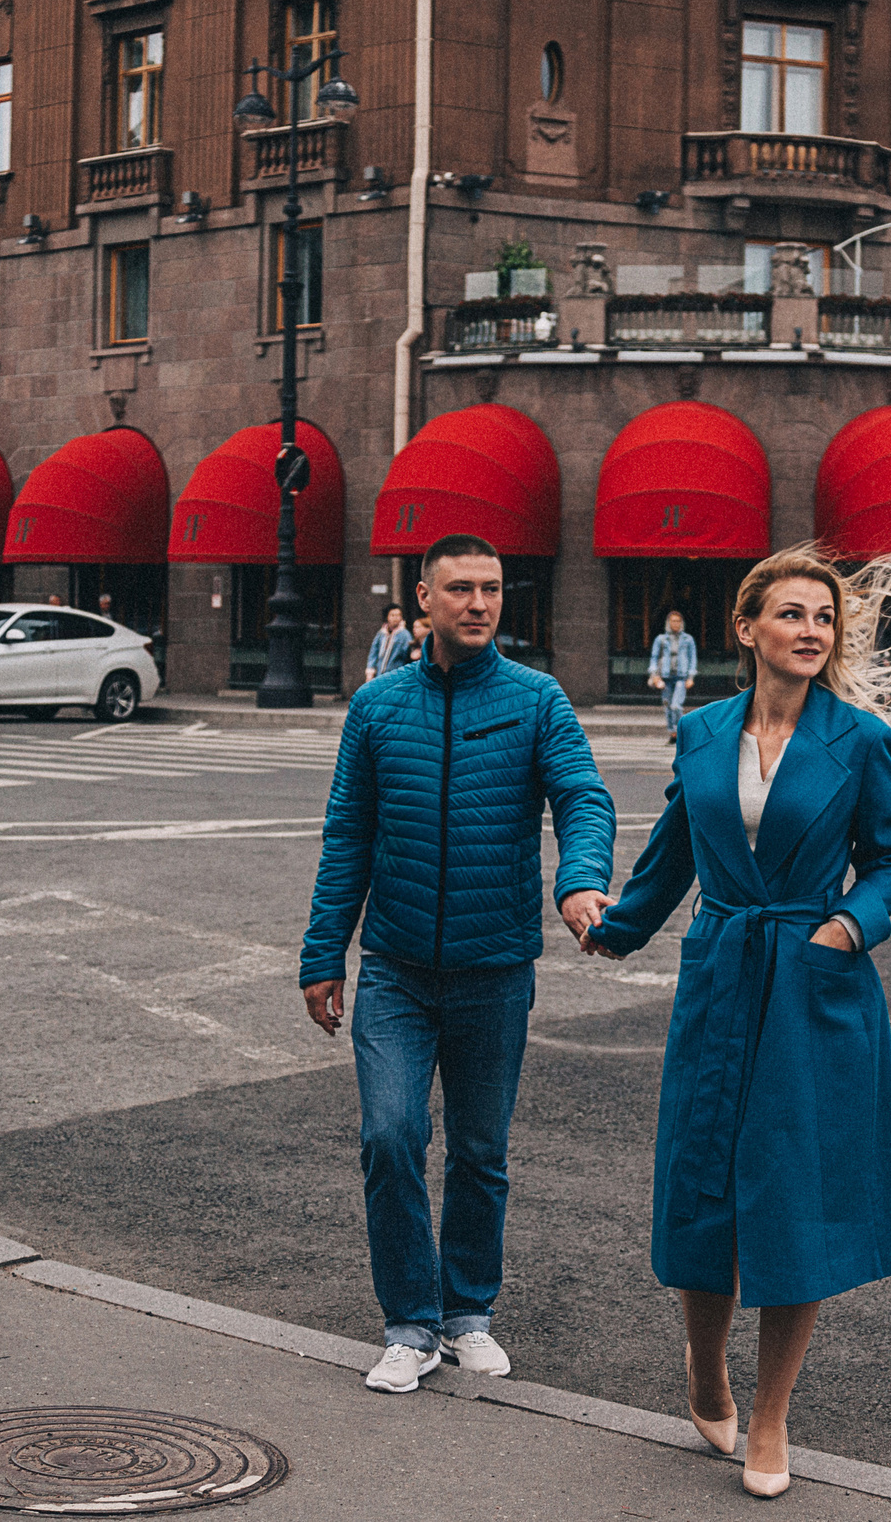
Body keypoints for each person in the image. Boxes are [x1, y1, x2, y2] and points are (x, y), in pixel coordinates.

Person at [582, 544, 891, 1501]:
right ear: (747, 629)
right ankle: (703, 1365)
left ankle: (771, 1413)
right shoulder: (701, 731)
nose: (811, 630)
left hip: (815, 986)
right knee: (704, 1183)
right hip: (722, 972)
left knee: (793, 1193)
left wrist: (847, 927)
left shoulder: (858, 739)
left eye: (824, 617)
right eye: (792, 614)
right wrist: (614, 926)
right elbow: (671, 856)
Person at [300, 533, 617, 1397]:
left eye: (493, 589)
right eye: (462, 589)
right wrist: (323, 953)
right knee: (390, 1135)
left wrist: (581, 882)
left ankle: (468, 1310)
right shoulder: (377, 708)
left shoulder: (536, 700)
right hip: (396, 969)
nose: (479, 603)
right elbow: (348, 837)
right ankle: (411, 1322)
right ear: (425, 599)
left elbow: (582, 796)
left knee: (480, 1149)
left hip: (495, 967)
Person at [648, 609, 698, 736]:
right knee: (668, 706)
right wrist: (654, 675)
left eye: (678, 621)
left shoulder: (688, 639)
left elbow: (693, 658)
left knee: (676, 705)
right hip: (665, 677)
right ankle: (672, 732)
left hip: (681, 676)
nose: (675, 624)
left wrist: (691, 677)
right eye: (673, 621)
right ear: (668, 623)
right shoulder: (661, 639)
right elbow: (654, 658)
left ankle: (680, 730)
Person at [364, 603, 411, 681]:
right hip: (379, 675)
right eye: (392, 615)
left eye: (398, 615)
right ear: (387, 617)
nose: (395, 618)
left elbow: (407, 655)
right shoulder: (381, 633)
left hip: (395, 676)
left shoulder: (404, 634)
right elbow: (373, 653)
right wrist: (370, 672)